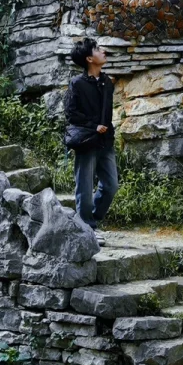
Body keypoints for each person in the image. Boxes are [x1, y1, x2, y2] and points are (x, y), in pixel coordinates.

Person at [64, 36, 119, 236]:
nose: (102, 51)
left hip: (105, 141)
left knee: (111, 185)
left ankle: (90, 221)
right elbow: (71, 113)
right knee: (85, 187)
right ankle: (88, 228)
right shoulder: (77, 83)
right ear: (89, 58)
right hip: (86, 141)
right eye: (97, 49)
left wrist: (104, 129)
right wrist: (93, 126)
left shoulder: (106, 82)